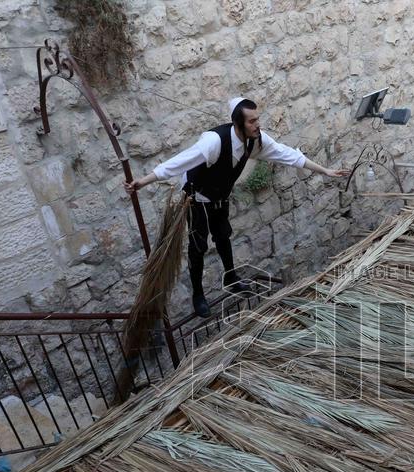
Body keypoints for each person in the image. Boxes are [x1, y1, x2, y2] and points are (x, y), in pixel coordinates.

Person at [125, 97, 349, 318]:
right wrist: (143, 181)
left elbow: (287, 154)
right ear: (237, 123)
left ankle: (231, 278)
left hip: (220, 196)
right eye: (251, 121)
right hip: (197, 196)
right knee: (198, 246)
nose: (257, 124)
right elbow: (179, 162)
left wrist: (325, 171)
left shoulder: (256, 140)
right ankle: (198, 295)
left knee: (223, 236)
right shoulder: (213, 141)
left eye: (257, 119)